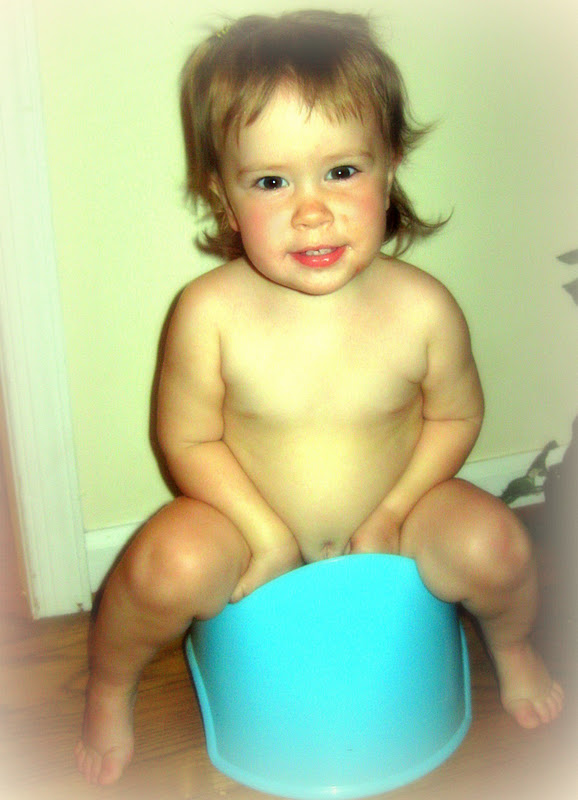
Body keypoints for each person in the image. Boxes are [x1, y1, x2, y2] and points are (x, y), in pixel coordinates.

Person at [75, 10, 563, 786]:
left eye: (341, 171)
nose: (312, 210)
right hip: (245, 527)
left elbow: (456, 415)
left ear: (389, 167)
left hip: (396, 522)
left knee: (497, 545)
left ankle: (512, 647)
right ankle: (108, 686)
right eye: (271, 181)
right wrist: (264, 533)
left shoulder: (422, 307)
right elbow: (188, 440)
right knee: (162, 565)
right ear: (224, 196)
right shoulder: (208, 313)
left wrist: (392, 511)